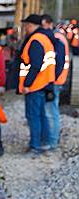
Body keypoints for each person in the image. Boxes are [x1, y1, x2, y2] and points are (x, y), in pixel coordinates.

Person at [17, 15, 57, 154]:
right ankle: (44, 142)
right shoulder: (45, 39)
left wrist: (27, 84)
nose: (25, 29)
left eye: (26, 26)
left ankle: (35, 146)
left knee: (33, 116)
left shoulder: (35, 40)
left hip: (35, 85)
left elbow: (35, 65)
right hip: (44, 82)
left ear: (30, 25)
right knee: (41, 115)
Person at [42, 14, 67, 150]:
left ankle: (52, 142)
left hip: (55, 81)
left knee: (50, 111)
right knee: (50, 110)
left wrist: (50, 80)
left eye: (43, 25)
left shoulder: (57, 38)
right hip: (56, 80)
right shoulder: (57, 37)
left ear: (49, 24)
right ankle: (51, 140)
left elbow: (58, 63)